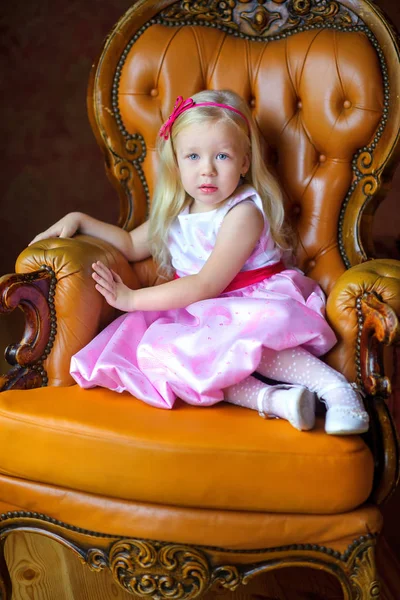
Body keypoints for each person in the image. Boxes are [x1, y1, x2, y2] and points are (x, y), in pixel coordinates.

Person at [31, 89, 369, 435]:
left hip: (249, 303)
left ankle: (337, 390)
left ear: (244, 163)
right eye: (193, 156)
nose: (206, 170)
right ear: (176, 162)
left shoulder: (243, 213)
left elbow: (207, 284)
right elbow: (131, 244)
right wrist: (80, 220)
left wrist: (131, 300)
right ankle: (276, 401)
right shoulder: (178, 212)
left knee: (245, 342)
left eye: (222, 156)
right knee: (169, 356)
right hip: (200, 313)